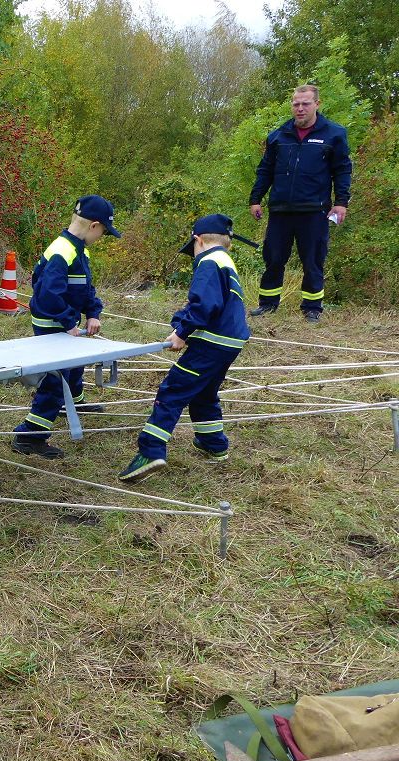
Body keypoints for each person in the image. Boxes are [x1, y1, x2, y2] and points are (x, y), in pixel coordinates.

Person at [118, 214, 254, 483]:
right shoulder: (226, 261)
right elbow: (214, 303)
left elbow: (204, 304)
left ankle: (151, 451)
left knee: (173, 391)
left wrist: (182, 332)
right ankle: (213, 444)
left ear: (198, 240)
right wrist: (180, 321)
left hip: (211, 342)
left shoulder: (208, 261)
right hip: (230, 342)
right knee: (204, 393)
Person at [11, 195, 120, 459]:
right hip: (51, 325)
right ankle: (29, 436)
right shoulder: (62, 252)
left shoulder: (79, 250)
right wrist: (69, 322)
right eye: (104, 232)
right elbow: (48, 296)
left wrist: (92, 313)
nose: (102, 237)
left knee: (75, 363)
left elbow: (85, 288)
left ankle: (74, 402)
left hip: (66, 323)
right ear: (94, 226)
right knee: (55, 379)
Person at [248, 84, 352, 323]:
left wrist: (341, 202)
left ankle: (312, 308)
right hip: (280, 210)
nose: (300, 108)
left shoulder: (334, 134)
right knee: (273, 258)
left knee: (313, 261)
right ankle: (267, 304)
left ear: (317, 104)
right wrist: (255, 199)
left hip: (314, 210)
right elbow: (265, 170)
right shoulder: (278, 136)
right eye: (296, 104)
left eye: (305, 103)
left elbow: (342, 170)